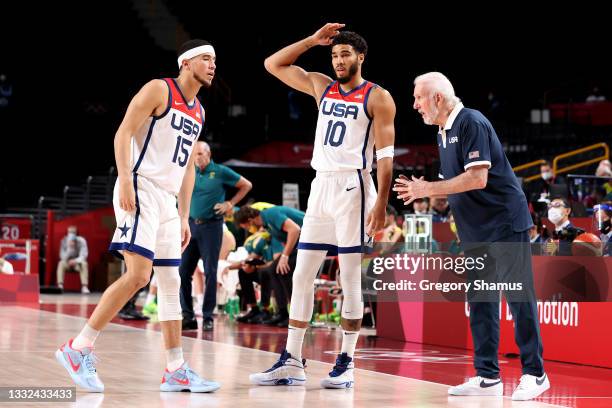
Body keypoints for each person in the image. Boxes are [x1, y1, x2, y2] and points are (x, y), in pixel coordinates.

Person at [55, 39, 220, 393]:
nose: (212, 65)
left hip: (167, 200)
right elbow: (123, 132)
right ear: (187, 62)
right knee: (139, 275)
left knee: (172, 283)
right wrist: (126, 180)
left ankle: (175, 369)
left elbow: (189, 166)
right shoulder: (160, 89)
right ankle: (78, 347)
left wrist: (183, 215)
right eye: (206, 58)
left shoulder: (200, 111)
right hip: (141, 187)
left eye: (214, 60)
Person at [249, 23, 395, 390]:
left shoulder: (378, 97)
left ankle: (346, 361)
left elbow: (386, 158)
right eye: (334, 54)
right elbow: (273, 64)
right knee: (301, 274)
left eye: (345, 54)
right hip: (321, 185)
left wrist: (381, 203)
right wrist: (312, 41)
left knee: (349, 278)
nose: (338, 60)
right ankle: (293, 360)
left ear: (361, 57)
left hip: (354, 186)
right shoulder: (321, 86)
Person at [394, 72, 548, 400]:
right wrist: (424, 192)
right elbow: (454, 186)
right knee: (480, 301)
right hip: (475, 231)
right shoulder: (442, 131)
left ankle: (536, 373)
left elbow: (477, 178)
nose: (415, 105)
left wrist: (427, 188)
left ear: (437, 97)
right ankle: (487, 375)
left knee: (519, 298)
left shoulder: (471, 122)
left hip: (504, 223)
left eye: (419, 98)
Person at [179, 141, 252, 331]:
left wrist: (230, 203)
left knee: (211, 271)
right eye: (194, 154)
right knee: (184, 271)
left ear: (209, 154)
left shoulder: (220, 172)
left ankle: (208, 316)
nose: (197, 158)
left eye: (200, 154)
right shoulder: (188, 171)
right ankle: (188, 316)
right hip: (191, 226)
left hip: (211, 227)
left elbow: (246, 185)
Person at [235, 205, 304, 327]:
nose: (248, 230)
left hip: (313, 239)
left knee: (282, 270)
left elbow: (295, 229)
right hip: (301, 244)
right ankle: (283, 313)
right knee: (274, 270)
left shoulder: (271, 214)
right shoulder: (267, 226)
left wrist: (285, 256)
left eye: (246, 227)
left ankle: (296, 316)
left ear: (250, 220)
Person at [56, 225, 90, 293]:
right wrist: (69, 249)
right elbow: (62, 257)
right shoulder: (64, 241)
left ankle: (84, 287)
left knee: (84, 264)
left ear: (76, 233)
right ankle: (60, 285)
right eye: (69, 232)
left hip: (77, 264)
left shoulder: (82, 241)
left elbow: (84, 255)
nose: (71, 234)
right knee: (60, 263)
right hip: (67, 263)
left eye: (73, 232)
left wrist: (75, 261)